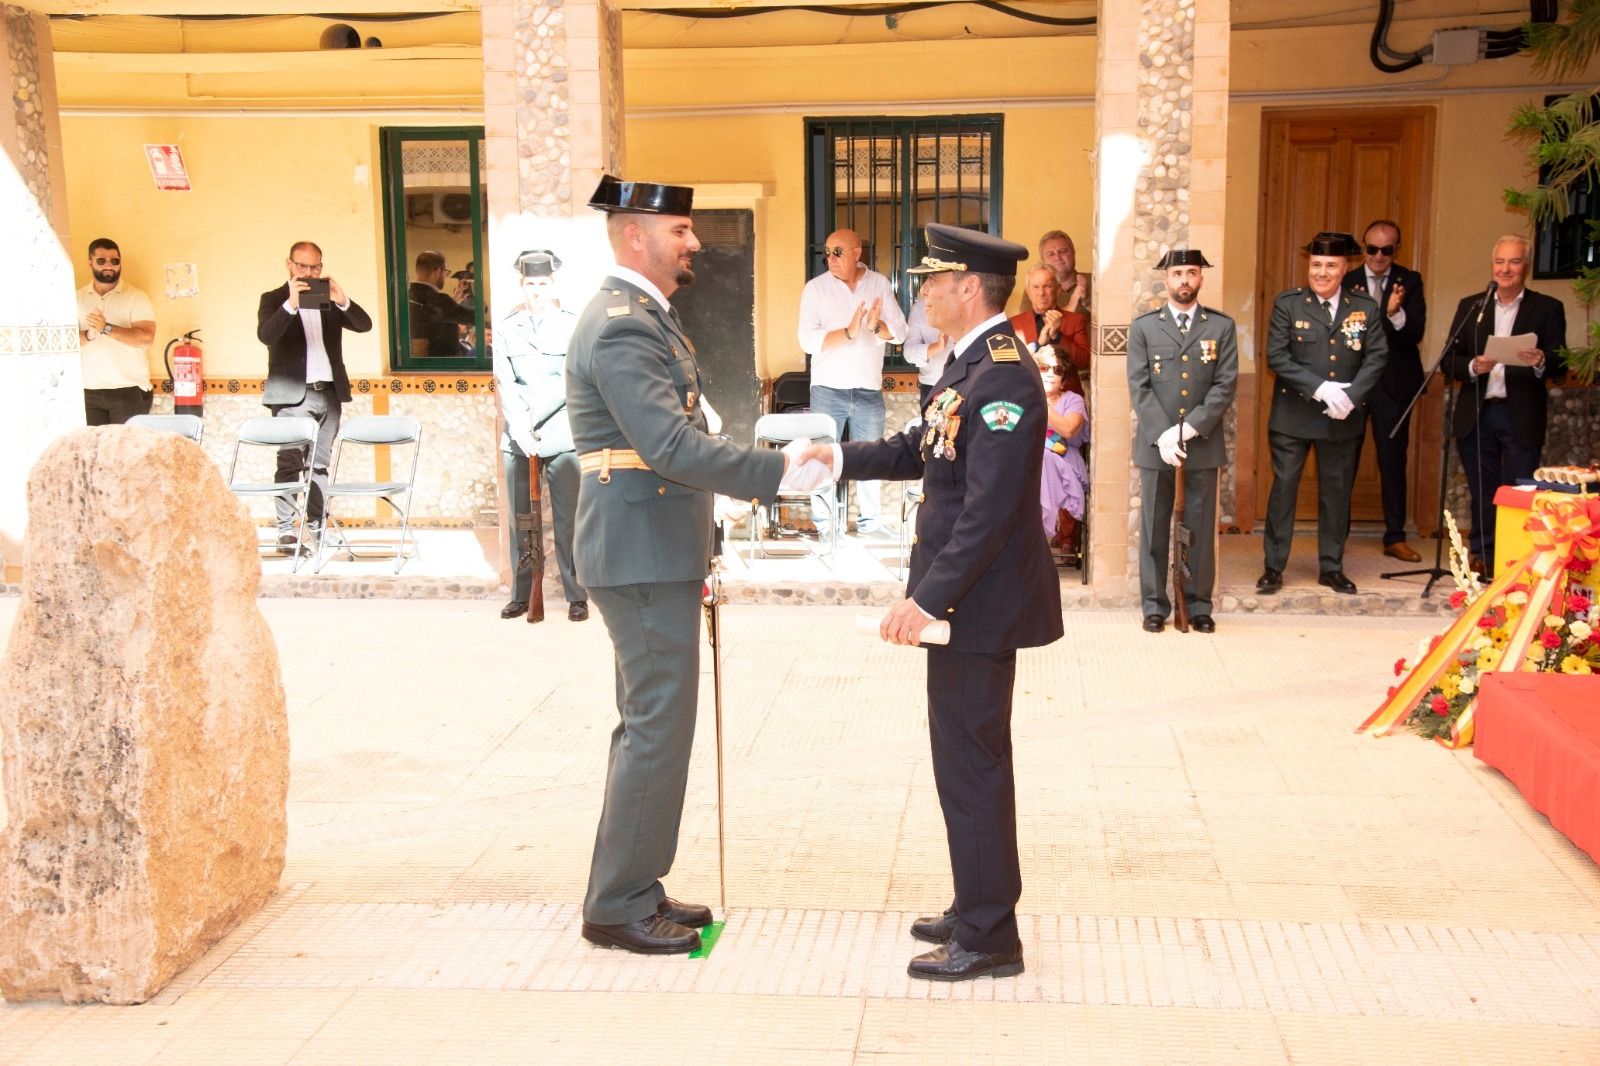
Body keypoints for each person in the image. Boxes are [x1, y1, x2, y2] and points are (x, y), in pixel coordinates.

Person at [793, 222, 1064, 982]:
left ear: (968, 288)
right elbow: (922, 447)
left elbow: (989, 512)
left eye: (933, 281)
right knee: (961, 760)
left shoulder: (1002, 374)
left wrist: (926, 602)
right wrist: (837, 456)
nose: (922, 295)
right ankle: (976, 900)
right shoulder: (968, 361)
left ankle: (990, 936)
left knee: (973, 764)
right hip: (966, 603)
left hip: (977, 605)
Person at [566, 175, 797, 956]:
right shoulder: (622, 327)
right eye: (680, 231)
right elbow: (669, 445)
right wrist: (779, 472)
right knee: (656, 730)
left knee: (653, 726)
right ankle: (616, 905)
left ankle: (635, 884)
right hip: (638, 550)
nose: (694, 242)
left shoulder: (645, 318)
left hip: (652, 544)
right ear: (636, 237)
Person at [1257, 232, 1387, 596]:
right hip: (1293, 416)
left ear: (1345, 269)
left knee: (1337, 492)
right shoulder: (1289, 304)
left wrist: (1351, 396)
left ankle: (1331, 567)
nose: (1322, 272)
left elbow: (1377, 356)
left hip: (1342, 416)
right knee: (1284, 490)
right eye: (1316, 265)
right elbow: (1277, 356)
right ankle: (1273, 567)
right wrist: (1320, 389)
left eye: (1331, 265)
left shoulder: (1365, 307)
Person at [1127, 249, 1238, 633]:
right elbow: (1139, 386)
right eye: (1177, 273)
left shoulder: (1220, 327)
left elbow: (1225, 385)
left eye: (1191, 272)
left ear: (1201, 278)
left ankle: (1199, 604)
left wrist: (1187, 429)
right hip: (1156, 443)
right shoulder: (1144, 327)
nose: (1184, 280)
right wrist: (1164, 433)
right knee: (1154, 526)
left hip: (1201, 443)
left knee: (1200, 527)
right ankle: (1154, 605)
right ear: (1166, 279)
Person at [1443, 234, 1567, 572]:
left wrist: (1541, 360)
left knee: (1519, 490)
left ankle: (1515, 559)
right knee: (1482, 490)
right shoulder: (1473, 306)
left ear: (1526, 266)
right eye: (1499, 262)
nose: (1505, 269)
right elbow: (1449, 360)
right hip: (1477, 412)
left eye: (1513, 262)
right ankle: (1483, 556)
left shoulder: (1547, 308)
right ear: (1492, 265)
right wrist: (1472, 366)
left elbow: (1560, 364)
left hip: (1520, 414)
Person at [257, 241, 372, 552]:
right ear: (289, 265)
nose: (309, 272)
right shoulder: (273, 299)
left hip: (328, 392)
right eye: (302, 266)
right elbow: (266, 336)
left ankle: (318, 529)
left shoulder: (328, 299)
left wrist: (342, 299)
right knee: (289, 462)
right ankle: (286, 531)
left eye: (315, 267)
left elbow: (364, 325)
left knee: (319, 465)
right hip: (292, 395)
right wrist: (291, 304)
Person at [494, 249, 587, 622]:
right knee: (521, 521)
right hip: (519, 438)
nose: (536, 290)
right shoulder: (507, 328)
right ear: (522, 284)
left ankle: (576, 595)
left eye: (543, 283)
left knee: (569, 521)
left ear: (553, 284)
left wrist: (534, 420)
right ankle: (521, 594)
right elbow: (505, 380)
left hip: (560, 436)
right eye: (530, 283)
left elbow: (571, 382)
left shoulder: (571, 325)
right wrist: (520, 426)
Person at [796, 227, 908, 535]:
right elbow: (806, 340)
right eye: (827, 253)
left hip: (868, 390)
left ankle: (870, 524)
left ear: (857, 253)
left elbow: (900, 332)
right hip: (828, 390)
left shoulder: (879, 284)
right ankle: (825, 526)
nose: (830, 259)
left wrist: (876, 326)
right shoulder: (816, 289)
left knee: (871, 458)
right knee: (823, 459)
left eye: (837, 252)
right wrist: (847, 332)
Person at [1342, 220, 1427, 563]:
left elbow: (1416, 332)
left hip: (1394, 384)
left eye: (1386, 250)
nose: (1378, 256)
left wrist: (1395, 313)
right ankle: (1335, 535)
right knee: (1343, 459)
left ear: (1396, 250)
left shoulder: (1410, 281)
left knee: (1392, 461)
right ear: (1363, 247)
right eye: (1372, 249)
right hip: (1353, 384)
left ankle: (1395, 537)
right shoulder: (1346, 280)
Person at [77, 238, 156, 425]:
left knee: (127, 445)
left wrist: (106, 328)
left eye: (114, 261)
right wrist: (89, 334)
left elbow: (146, 339)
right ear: (90, 262)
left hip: (129, 389)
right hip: (88, 390)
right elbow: (65, 343)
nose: (109, 266)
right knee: (92, 445)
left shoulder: (136, 297)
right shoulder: (76, 298)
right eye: (101, 261)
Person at [1037, 344, 1089, 549]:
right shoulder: (1022, 397)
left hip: (1064, 458)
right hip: (1030, 461)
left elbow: (1068, 429)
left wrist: (1041, 402)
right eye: (1044, 368)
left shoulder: (1073, 400)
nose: (1050, 374)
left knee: (1046, 459)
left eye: (1057, 370)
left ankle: (1053, 533)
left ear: (1064, 377)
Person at [1009, 265, 1090, 396]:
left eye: (1047, 286)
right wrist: (1038, 344)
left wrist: (1058, 336)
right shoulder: (1014, 324)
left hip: (1068, 399)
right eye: (1036, 287)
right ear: (1029, 293)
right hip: (1028, 396)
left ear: (1058, 290)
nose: (1041, 293)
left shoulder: (1075, 320)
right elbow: (1011, 367)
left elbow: (1084, 361)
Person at [409, 250, 475, 357]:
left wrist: (453, 302)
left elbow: (435, 318)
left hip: (417, 363)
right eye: (446, 272)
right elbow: (474, 317)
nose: (445, 276)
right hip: (442, 364)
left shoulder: (407, 297)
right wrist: (475, 289)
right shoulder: (439, 300)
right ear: (438, 271)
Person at [902, 296, 952, 412]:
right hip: (933, 386)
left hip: (968, 385)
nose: (925, 289)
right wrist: (937, 347)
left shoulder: (968, 302)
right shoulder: (920, 307)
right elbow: (909, 353)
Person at [1039, 229, 1091, 315]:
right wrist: (1073, 302)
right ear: (1043, 261)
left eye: (1063, 251)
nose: (1058, 258)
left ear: (1073, 253)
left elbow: (1111, 317)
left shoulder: (1096, 282)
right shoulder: (1036, 287)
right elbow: (1030, 322)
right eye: (1051, 254)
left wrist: (1087, 301)